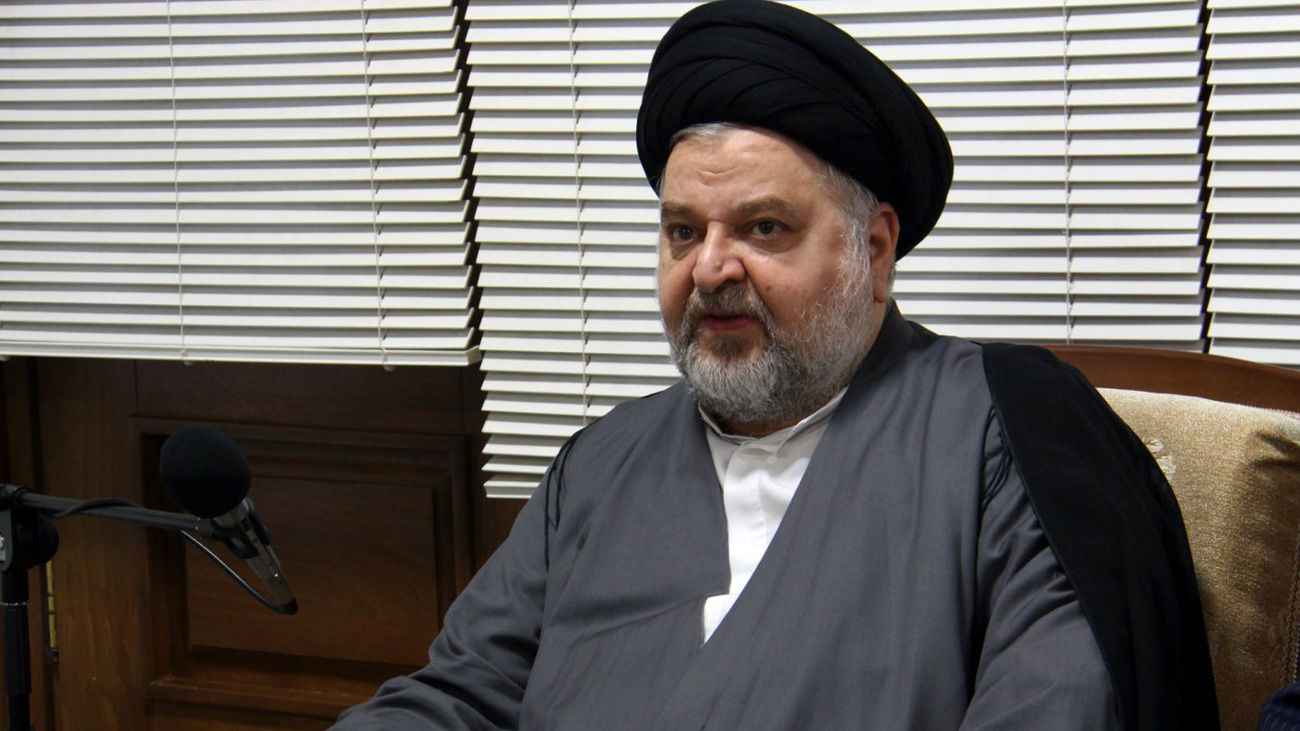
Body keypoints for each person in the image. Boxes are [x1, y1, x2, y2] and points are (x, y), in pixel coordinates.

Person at [331, 2, 1218, 729]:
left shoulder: (1010, 435)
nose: (710, 267)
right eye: (683, 231)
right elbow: (459, 696)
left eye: (764, 227)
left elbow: (1057, 706)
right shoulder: (598, 468)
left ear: (874, 250)